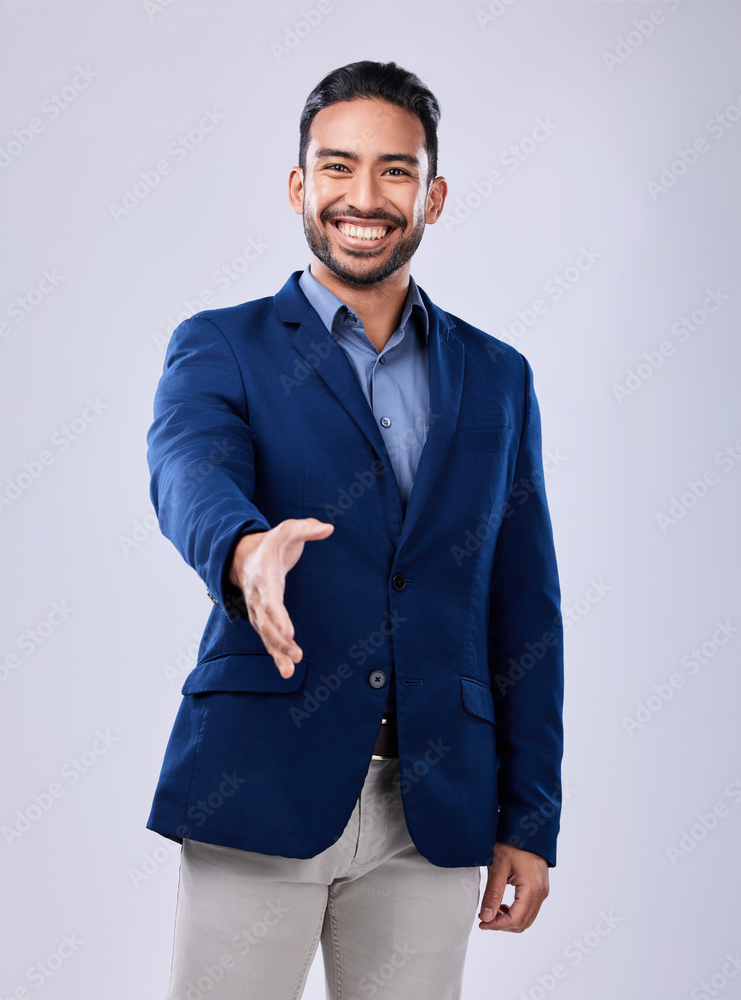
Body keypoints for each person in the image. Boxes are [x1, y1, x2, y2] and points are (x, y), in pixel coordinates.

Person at [147, 59, 564, 1000]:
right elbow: (188, 468)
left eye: (395, 171)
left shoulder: (499, 377)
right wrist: (245, 550)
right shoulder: (223, 344)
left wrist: (530, 817)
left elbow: (525, 603)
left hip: (439, 809)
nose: (363, 198)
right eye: (336, 168)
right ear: (300, 186)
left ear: (434, 194)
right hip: (260, 783)